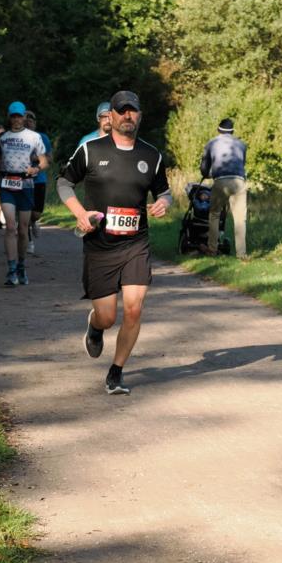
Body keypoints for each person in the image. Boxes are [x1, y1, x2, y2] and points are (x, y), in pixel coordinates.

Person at [57, 90, 171, 394]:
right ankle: (95, 326)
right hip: (100, 244)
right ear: (111, 116)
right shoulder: (90, 150)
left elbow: (164, 191)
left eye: (132, 110)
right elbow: (64, 182)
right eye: (121, 111)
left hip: (136, 243)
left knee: (134, 310)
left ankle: (116, 371)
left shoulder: (151, 155)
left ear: (140, 115)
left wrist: (164, 202)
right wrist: (80, 213)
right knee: (108, 316)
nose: (127, 116)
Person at [0, 101, 47, 286]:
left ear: (24, 117)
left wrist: (36, 169)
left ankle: (22, 266)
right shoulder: (2, 138)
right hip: (6, 183)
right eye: (13, 116)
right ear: (9, 117)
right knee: (10, 227)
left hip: (26, 184)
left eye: (19, 116)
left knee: (23, 230)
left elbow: (44, 161)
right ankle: (11, 270)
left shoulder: (34, 137)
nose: (16, 119)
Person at [199, 118, 248, 258]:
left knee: (214, 214)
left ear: (218, 130)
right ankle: (241, 254)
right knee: (240, 219)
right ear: (232, 131)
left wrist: (207, 174)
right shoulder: (241, 144)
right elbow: (241, 164)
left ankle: (212, 249)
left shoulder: (211, 143)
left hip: (220, 181)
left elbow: (204, 168)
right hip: (239, 181)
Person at [24, 110, 52, 254]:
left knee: (36, 214)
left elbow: (50, 159)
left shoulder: (43, 138)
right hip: (23, 180)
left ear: (35, 122)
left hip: (39, 179)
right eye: (26, 118)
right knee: (25, 212)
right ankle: (29, 242)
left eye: (31, 119)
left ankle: (34, 222)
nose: (28, 121)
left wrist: (36, 158)